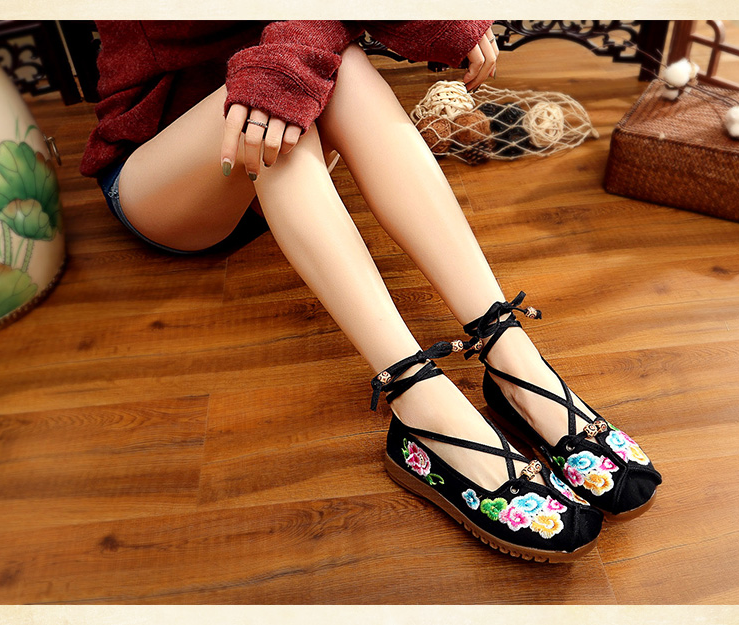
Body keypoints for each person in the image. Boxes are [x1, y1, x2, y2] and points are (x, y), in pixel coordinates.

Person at [81, 20, 661, 562]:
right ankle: (418, 400)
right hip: (172, 169)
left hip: (283, 142)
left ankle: (509, 352)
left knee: (326, 70)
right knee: (276, 81)